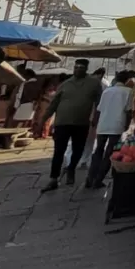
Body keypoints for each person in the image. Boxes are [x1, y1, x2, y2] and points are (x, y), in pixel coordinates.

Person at [41, 59, 103, 190]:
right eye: (76, 67)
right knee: (59, 151)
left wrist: (96, 118)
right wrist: (42, 120)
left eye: (81, 67)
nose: (78, 69)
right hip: (62, 122)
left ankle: (71, 168)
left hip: (81, 123)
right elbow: (53, 104)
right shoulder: (65, 84)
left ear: (86, 69)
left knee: (78, 150)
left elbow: (99, 103)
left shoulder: (94, 83)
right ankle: (53, 178)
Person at [85, 70, 135, 188]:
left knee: (98, 150)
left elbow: (99, 109)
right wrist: (127, 125)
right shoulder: (128, 92)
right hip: (117, 125)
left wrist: (95, 122)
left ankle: (90, 178)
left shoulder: (107, 91)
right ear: (126, 80)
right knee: (109, 152)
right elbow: (128, 111)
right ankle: (98, 180)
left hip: (103, 124)